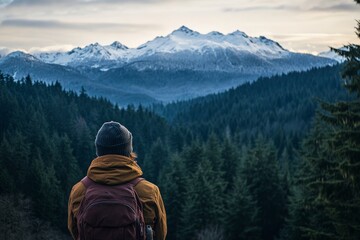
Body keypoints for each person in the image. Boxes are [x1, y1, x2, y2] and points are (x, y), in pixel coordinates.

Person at [68, 121, 167, 240]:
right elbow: (161, 234)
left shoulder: (79, 190)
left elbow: (75, 231)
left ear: (98, 150)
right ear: (129, 151)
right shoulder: (150, 191)